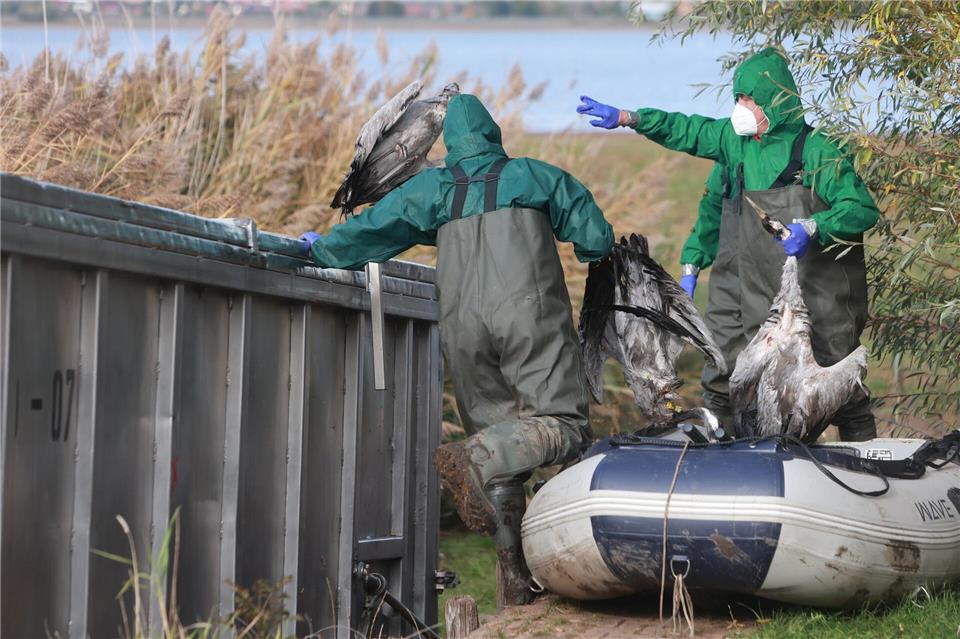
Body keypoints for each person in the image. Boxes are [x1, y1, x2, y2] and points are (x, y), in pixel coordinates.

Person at [301, 93, 613, 604]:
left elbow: (375, 229)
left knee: (500, 456)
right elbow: (596, 236)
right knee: (564, 424)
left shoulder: (434, 187)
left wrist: (322, 248)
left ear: (451, 144)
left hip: (464, 328)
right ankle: (474, 457)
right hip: (528, 318)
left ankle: (515, 582)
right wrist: (589, 251)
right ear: (493, 135)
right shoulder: (534, 175)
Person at [577, 47, 879, 441]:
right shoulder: (734, 147)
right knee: (728, 375)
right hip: (744, 287)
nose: (741, 107)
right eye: (738, 98)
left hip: (815, 293)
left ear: (776, 100)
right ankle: (733, 456)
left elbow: (861, 209)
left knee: (836, 377)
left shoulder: (818, 152)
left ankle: (869, 456)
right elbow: (688, 132)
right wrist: (628, 118)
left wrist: (814, 226)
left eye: (749, 99)